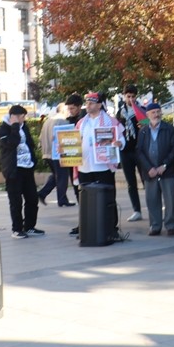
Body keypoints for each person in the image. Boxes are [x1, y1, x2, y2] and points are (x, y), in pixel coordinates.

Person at [72, 91, 124, 237]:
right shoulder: (81, 123)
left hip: (103, 166)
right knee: (85, 199)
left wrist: (120, 143)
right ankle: (87, 228)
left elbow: (120, 137)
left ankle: (111, 229)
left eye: (91, 102)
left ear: (99, 105)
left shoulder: (110, 121)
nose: (87, 105)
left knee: (107, 198)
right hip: (85, 166)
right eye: (87, 102)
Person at [0, 104, 43, 239]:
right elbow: (12, 143)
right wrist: (15, 126)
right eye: (21, 117)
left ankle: (29, 226)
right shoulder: (3, 129)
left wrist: (33, 160)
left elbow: (30, 143)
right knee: (16, 200)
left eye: (24, 117)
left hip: (27, 167)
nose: (24, 119)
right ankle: (17, 229)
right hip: (13, 169)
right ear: (14, 117)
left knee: (32, 198)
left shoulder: (25, 126)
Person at [136, 102, 174, 236]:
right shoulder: (143, 131)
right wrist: (149, 168)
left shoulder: (169, 129)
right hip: (150, 172)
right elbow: (139, 151)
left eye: (158, 112)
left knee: (171, 199)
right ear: (148, 115)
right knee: (152, 200)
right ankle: (155, 225)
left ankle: (172, 224)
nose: (156, 115)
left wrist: (165, 165)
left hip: (168, 171)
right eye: (153, 112)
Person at [37, 95, 79, 207]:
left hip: (46, 153)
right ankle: (62, 199)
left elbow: (40, 138)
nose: (69, 112)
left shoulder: (48, 121)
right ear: (64, 109)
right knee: (62, 177)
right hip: (57, 153)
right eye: (68, 109)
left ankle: (42, 193)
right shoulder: (62, 121)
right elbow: (65, 138)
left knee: (56, 175)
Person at [115, 86, 144, 222]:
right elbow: (116, 130)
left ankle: (153, 207)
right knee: (131, 182)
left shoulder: (141, 111)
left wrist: (143, 124)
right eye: (128, 96)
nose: (131, 99)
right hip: (125, 151)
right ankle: (136, 210)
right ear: (124, 96)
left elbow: (147, 127)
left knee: (146, 180)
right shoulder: (120, 113)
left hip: (139, 150)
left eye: (133, 96)